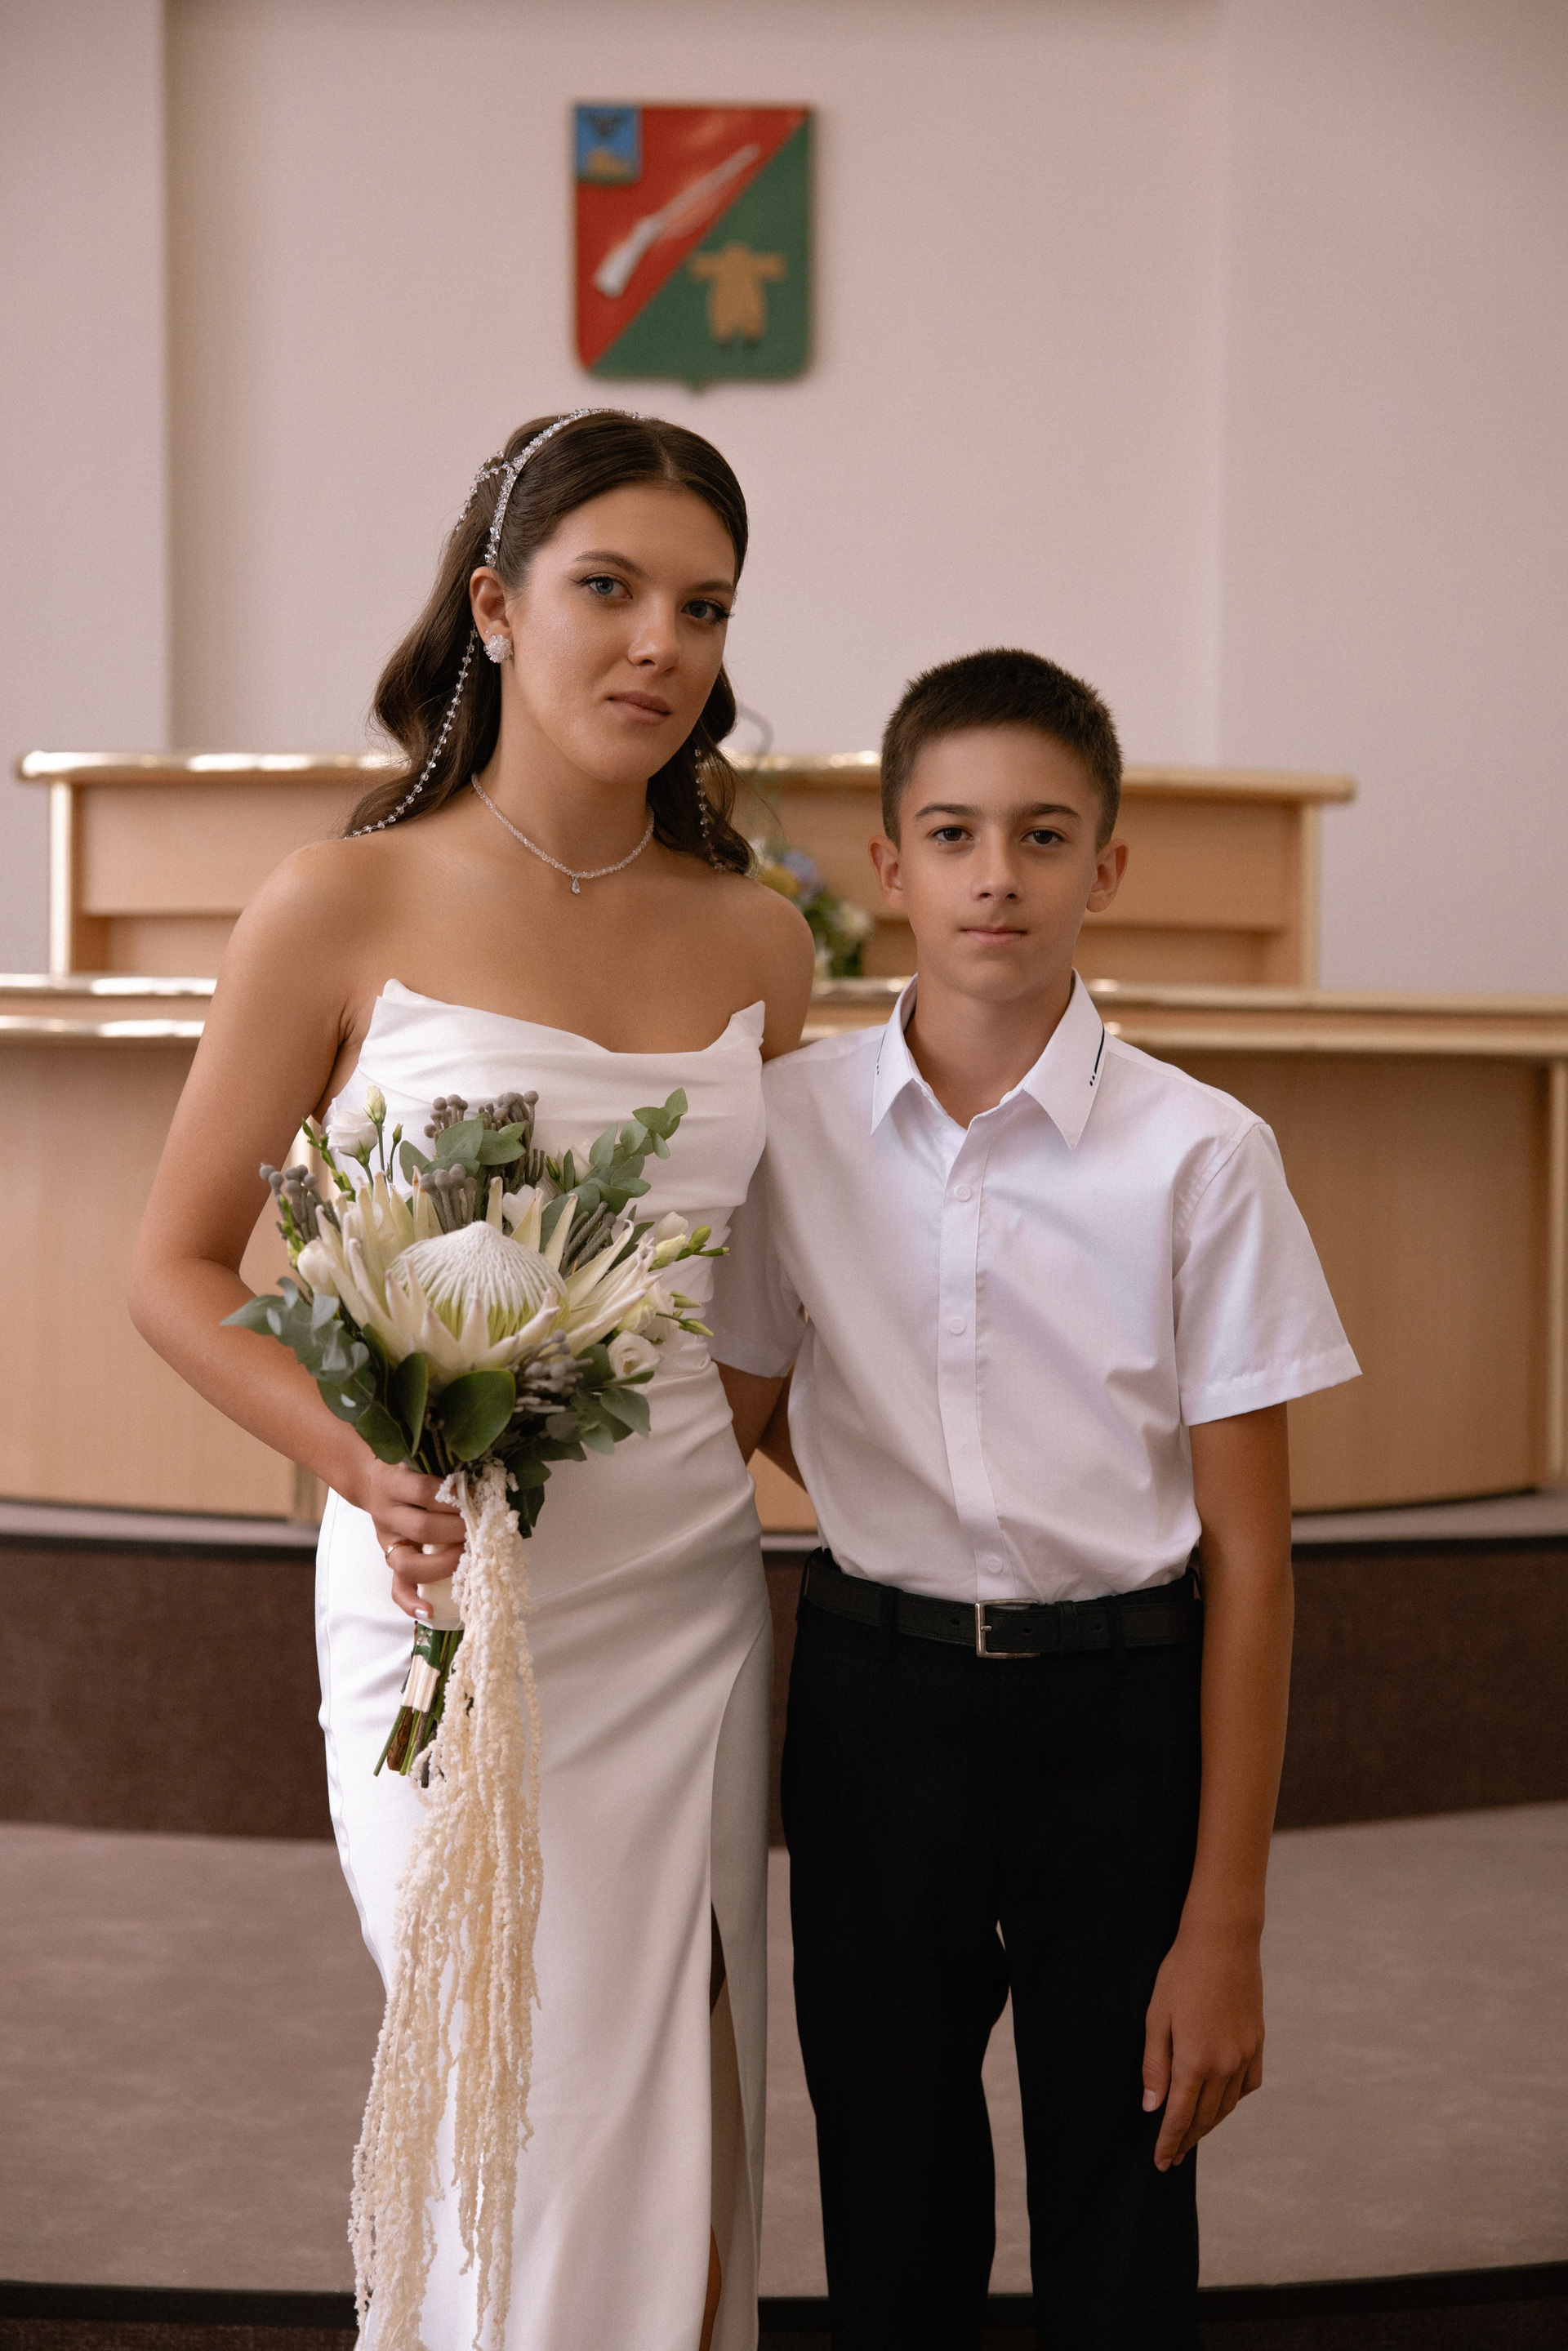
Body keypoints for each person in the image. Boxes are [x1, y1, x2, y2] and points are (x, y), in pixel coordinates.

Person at [131, 408, 814, 2351]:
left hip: (680, 1599)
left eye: (704, 607)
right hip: (438, 1596)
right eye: (610, 588)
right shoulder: (337, 903)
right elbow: (177, 1270)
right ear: (498, 610)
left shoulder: (764, 939)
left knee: (669, 2107)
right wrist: (365, 1461)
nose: (661, 643)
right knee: (509, 2081)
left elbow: (750, 1311)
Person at [710, 648, 1359, 2349]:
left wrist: (1228, 1923)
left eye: (1044, 835)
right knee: (891, 2207)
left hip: (1124, 1718)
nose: (996, 874)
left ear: (1107, 866)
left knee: (1122, 2213)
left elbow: (1257, 1564)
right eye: (953, 833)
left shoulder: (1202, 1155)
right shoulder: (791, 1130)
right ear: (889, 863)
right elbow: (731, 1422)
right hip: (877, 1713)